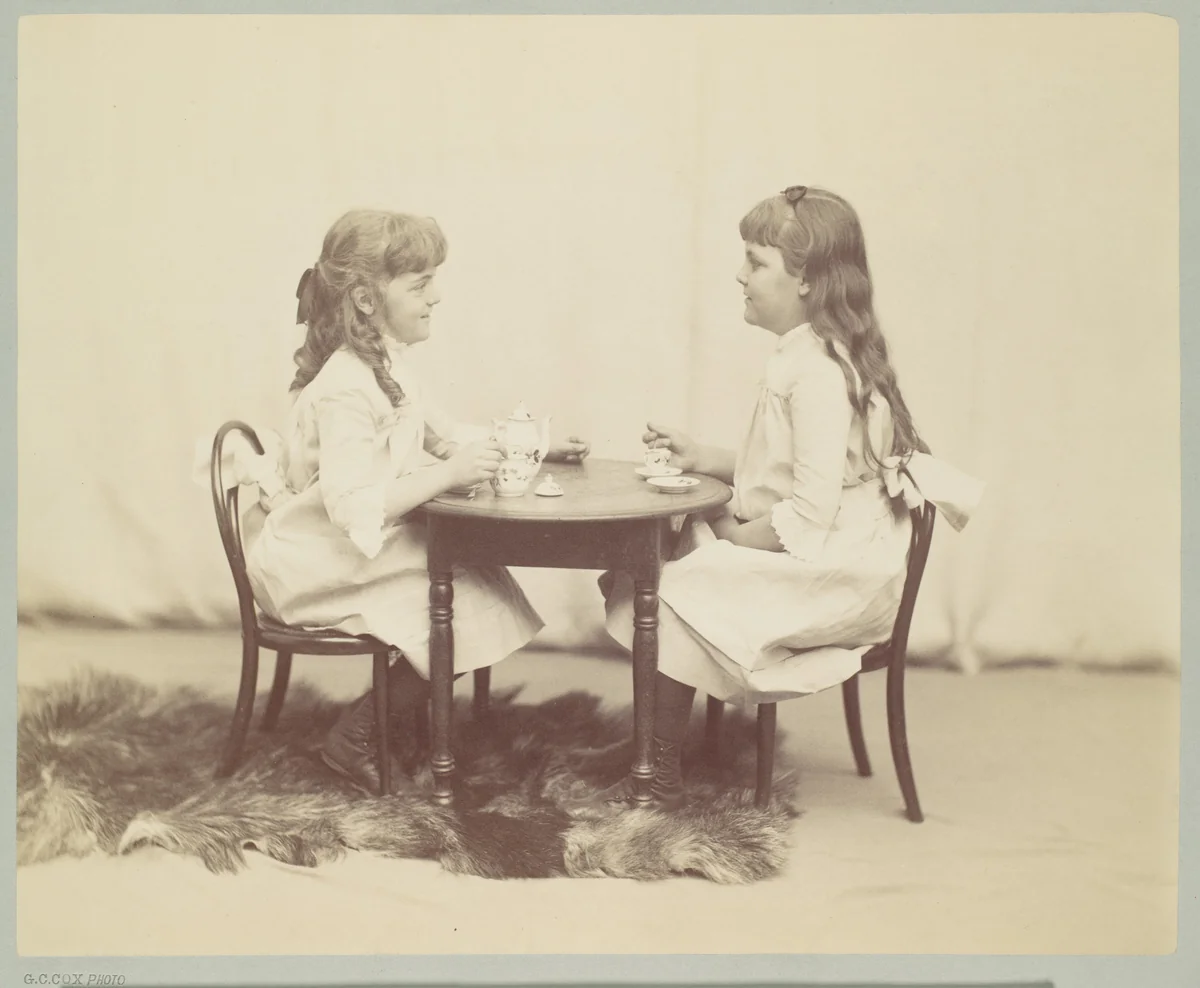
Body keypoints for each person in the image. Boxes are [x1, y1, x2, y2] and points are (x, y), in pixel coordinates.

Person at [572, 185, 983, 814]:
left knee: (672, 587)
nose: (740, 276)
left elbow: (810, 512)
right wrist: (702, 458)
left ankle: (657, 775)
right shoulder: (804, 356)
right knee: (670, 559)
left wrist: (734, 537)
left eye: (756, 263)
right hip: (827, 543)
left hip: (839, 570)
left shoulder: (818, 373)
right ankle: (653, 752)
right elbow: (788, 473)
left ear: (808, 281)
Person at [242, 209, 590, 791]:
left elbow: (447, 436)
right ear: (366, 300)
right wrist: (448, 475)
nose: (436, 297)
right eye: (421, 284)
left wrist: (533, 445)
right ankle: (356, 737)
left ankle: (392, 718)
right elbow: (350, 506)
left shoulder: (387, 368)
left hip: (351, 548)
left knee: (477, 583)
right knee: (459, 600)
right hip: (314, 560)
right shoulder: (345, 388)